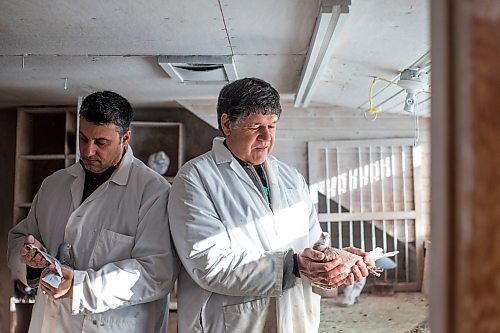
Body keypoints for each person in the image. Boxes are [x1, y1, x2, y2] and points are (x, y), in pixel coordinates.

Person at [168, 77, 374, 332]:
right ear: (226, 124)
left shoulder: (291, 177)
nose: (266, 137)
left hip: (296, 316)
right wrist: (294, 265)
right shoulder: (195, 178)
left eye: (272, 126)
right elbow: (209, 264)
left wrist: (331, 263)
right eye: (256, 126)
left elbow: (310, 245)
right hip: (233, 322)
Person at [7, 91, 179, 333]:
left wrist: (80, 286)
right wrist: (31, 262)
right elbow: (19, 239)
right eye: (83, 138)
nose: (88, 151)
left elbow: (156, 273)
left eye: (101, 143)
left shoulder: (153, 192)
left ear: (125, 137)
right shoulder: (54, 184)